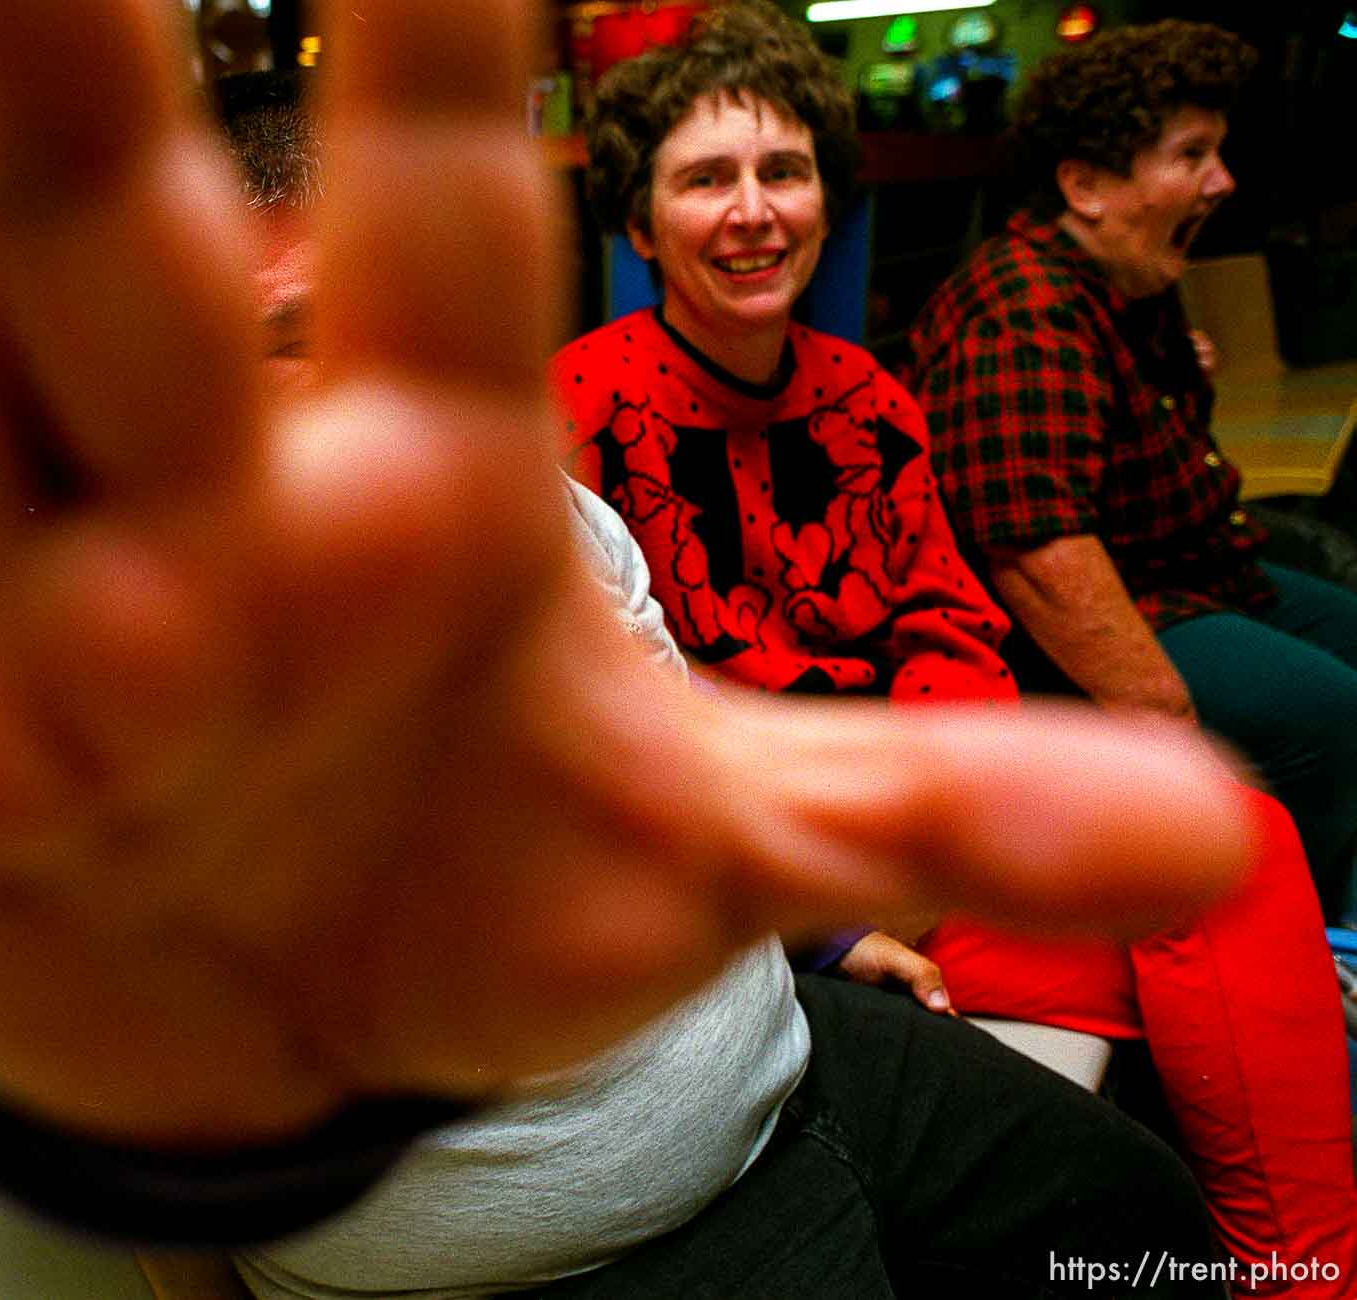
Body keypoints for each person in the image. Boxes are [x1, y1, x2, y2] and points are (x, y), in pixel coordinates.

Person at [0, 0, 1251, 1284]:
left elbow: (674, 765)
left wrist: (821, 915)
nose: (288, 430)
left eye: (328, 350)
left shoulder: (535, 516)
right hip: (600, 1252)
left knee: (1145, 1244)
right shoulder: (89, 678)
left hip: (802, 1062)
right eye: (225, 361)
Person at [550, 4, 1356, 1284]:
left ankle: (1297, 1273)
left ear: (826, 200)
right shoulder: (574, 414)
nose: (754, 210)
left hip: (916, 855)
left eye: (784, 170)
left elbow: (950, 628)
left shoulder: (871, 399)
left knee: (1233, 840)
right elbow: (603, 721)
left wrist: (920, 833)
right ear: (641, 226)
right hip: (753, 908)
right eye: (706, 179)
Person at [908, 19, 1357, 927]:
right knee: (1333, 716)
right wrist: (1162, 719)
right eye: (1191, 154)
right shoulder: (1021, 310)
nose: (1221, 181)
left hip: (1187, 566)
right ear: (1084, 185)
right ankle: (1315, 951)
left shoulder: (1122, 276)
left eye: (1218, 152)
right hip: (1104, 609)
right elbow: (1034, 552)